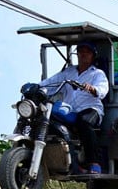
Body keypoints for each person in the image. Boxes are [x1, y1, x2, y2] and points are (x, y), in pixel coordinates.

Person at [39, 41, 109, 173]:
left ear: (93, 55)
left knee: (83, 121)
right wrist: (37, 87)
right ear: (77, 54)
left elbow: (103, 90)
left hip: (91, 109)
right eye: (81, 51)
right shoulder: (68, 72)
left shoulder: (97, 74)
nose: (83, 54)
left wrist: (92, 88)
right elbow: (50, 83)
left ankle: (94, 162)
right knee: (48, 119)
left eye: (87, 52)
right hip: (70, 109)